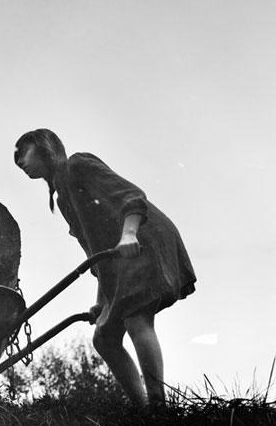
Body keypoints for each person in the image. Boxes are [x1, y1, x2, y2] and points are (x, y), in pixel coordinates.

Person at [13, 128, 195, 405]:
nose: (19, 161)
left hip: (143, 237)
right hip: (120, 254)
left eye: (23, 151)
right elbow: (95, 253)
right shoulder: (63, 198)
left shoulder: (78, 165)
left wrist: (129, 234)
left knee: (136, 316)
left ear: (44, 147)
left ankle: (158, 406)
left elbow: (132, 196)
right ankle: (142, 408)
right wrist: (101, 301)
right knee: (104, 337)